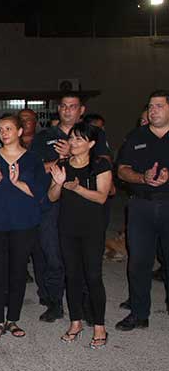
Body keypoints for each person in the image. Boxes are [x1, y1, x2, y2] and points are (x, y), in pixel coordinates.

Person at [29, 93, 109, 323]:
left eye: (72, 106)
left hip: (84, 204)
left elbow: (103, 162)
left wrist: (73, 153)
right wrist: (61, 159)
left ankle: (84, 305)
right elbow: (34, 169)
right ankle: (54, 302)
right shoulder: (44, 137)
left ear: (81, 110)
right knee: (52, 255)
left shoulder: (94, 133)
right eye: (63, 106)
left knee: (83, 260)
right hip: (52, 202)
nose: (67, 110)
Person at [0, 114, 46, 340]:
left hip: (23, 223)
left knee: (18, 272)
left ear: (19, 131)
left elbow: (40, 193)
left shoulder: (33, 159)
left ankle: (13, 320)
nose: (4, 133)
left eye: (8, 128)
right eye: (0, 129)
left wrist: (18, 183)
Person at [49, 122, 112, 348]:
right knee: (72, 276)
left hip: (92, 228)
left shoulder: (100, 165)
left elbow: (102, 197)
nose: (73, 142)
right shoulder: (62, 164)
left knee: (93, 276)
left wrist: (78, 188)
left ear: (91, 143)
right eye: (72, 138)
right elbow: (52, 197)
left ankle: (99, 326)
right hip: (67, 228)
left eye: (79, 139)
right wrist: (58, 184)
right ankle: (75, 323)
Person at [115, 90, 169, 331]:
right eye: (150, 106)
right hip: (141, 206)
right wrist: (142, 178)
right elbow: (122, 170)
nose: (152, 110)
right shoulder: (136, 136)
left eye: (159, 105)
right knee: (138, 262)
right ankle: (139, 313)